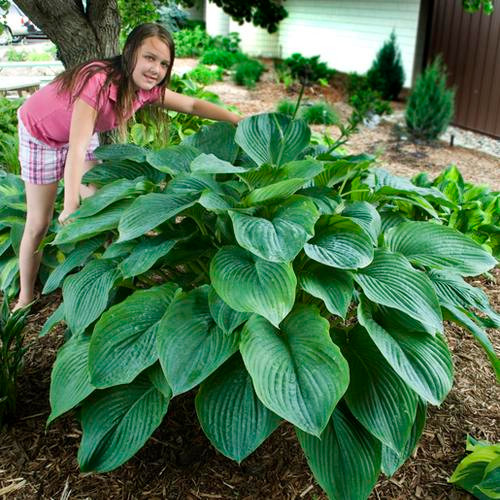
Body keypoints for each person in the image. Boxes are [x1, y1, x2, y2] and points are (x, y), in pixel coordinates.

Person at [13, 22, 241, 311]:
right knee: (39, 222)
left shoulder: (145, 91)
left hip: (79, 134)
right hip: (40, 134)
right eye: (149, 57)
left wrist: (236, 119)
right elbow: (77, 147)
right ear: (130, 52)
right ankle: (24, 298)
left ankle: (113, 276)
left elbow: (193, 105)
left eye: (163, 63)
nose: (156, 69)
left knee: (101, 207)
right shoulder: (97, 80)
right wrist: (69, 203)